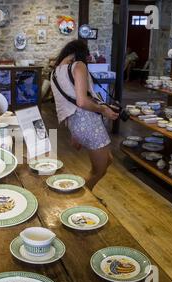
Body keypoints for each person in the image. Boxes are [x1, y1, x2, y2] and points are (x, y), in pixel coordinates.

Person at [50, 40, 119, 191]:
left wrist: (74, 132)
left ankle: (87, 195)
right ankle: (82, 197)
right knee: (98, 170)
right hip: (88, 122)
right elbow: (81, 102)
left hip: (75, 123)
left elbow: (66, 105)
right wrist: (103, 110)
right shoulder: (78, 66)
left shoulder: (54, 73)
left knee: (107, 160)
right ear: (80, 54)